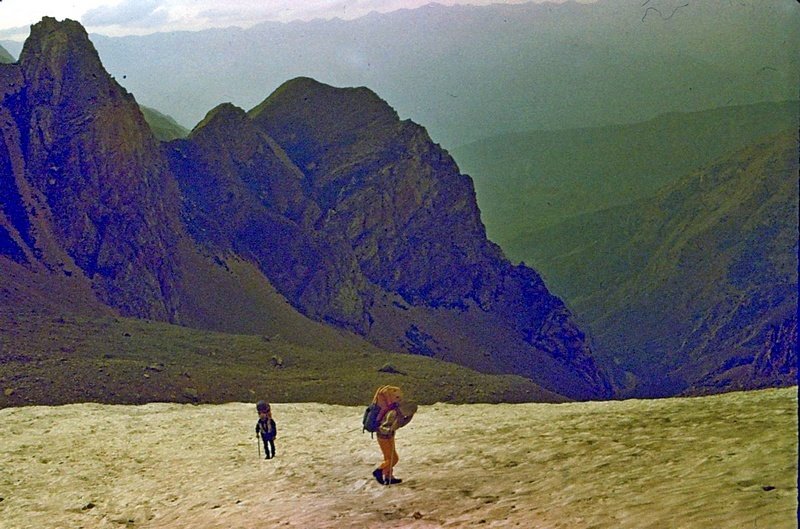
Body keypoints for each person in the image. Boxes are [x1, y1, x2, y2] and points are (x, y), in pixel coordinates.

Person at [371, 386, 417, 485]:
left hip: (387, 435)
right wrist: (391, 428)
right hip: (384, 436)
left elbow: (400, 424)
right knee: (393, 458)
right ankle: (379, 471)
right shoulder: (393, 413)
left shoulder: (397, 413)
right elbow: (386, 426)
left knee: (388, 457)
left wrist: (408, 418)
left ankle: (389, 477)